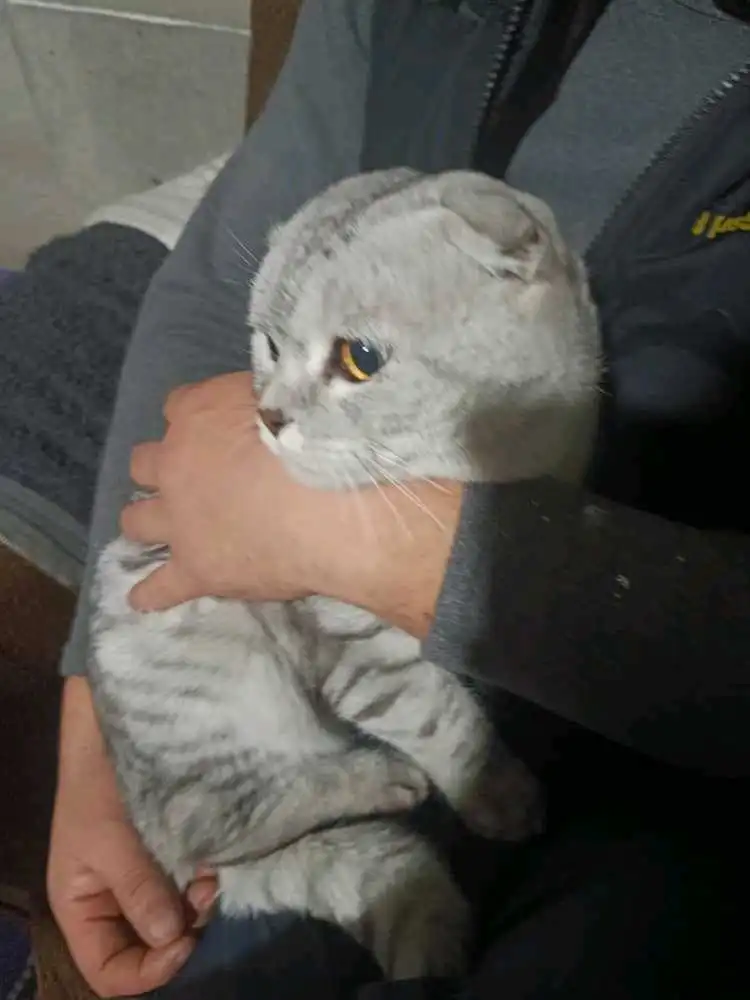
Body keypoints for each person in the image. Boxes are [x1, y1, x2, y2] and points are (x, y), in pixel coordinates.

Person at [8, 0, 744, 996]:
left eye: (349, 359)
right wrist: (95, 719)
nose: (272, 414)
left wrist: (393, 552)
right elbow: (223, 278)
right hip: (331, 713)